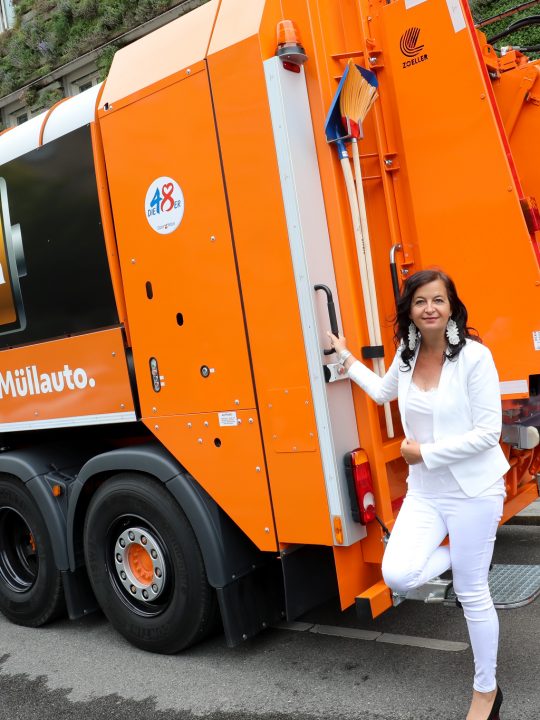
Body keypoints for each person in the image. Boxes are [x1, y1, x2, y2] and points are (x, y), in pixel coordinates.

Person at [328, 269, 509, 720]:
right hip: (427, 493)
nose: (430, 308)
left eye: (438, 300)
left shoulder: (474, 358)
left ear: (451, 307)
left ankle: (486, 692)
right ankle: (462, 555)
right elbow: (381, 391)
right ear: (409, 311)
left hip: (474, 490)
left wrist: (424, 452)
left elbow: (489, 433)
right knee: (398, 575)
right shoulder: (406, 358)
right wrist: (346, 359)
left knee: (472, 593)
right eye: (420, 301)